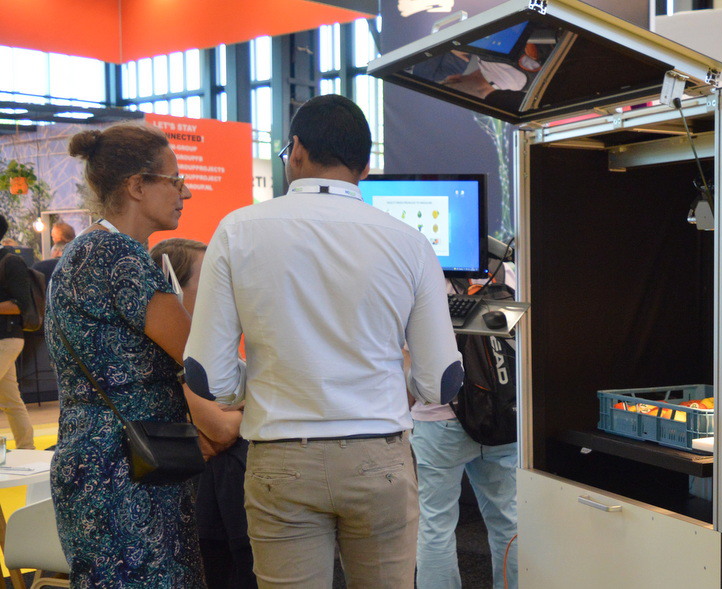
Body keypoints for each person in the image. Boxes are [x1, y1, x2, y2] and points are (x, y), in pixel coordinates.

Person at [184, 94, 463, 588]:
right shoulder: (411, 242)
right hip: (379, 459)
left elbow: (207, 375)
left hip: (281, 457)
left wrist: (260, 385)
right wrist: (388, 382)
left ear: (296, 150)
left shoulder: (237, 230)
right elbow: (442, 382)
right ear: (366, 166)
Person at [49, 123, 202, 586]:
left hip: (94, 459)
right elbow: (197, 358)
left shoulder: (86, 251)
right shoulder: (121, 257)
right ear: (137, 185)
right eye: (174, 180)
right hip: (131, 466)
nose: (185, 192)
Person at [151, 238, 255, 589]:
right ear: (174, 289)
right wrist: (261, 404)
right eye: (211, 278)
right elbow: (222, 427)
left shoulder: (210, 345)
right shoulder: (174, 351)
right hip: (216, 511)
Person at [413, 279, 518, 589]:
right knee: (509, 520)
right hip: (500, 420)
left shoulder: (422, 284)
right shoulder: (507, 278)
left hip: (439, 421)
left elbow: (408, 360)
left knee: (435, 525)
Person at [0, 216, 37, 450]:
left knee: (11, 401)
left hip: (7, 338)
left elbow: (21, 305)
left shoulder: (11, 262)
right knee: (11, 400)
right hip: (5, 339)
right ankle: (27, 448)